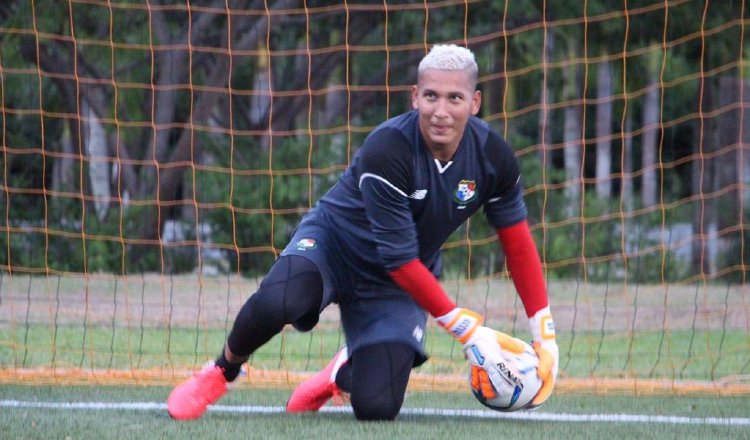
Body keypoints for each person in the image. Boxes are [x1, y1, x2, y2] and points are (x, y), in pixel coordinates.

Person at [166, 43, 559, 422]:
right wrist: (467, 330)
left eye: (454, 98)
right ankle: (221, 372)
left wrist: (545, 336)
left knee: (377, 409)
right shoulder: (388, 148)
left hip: (397, 283)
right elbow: (398, 257)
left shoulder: (494, 158)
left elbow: (519, 246)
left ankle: (339, 371)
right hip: (333, 249)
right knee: (277, 302)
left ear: (474, 102)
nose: (441, 111)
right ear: (414, 97)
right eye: (431, 96)